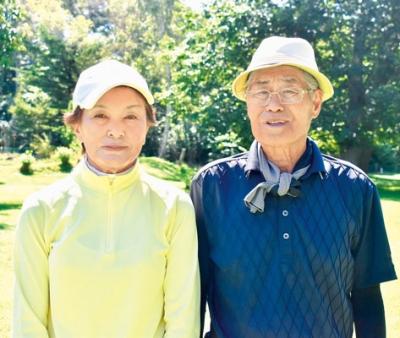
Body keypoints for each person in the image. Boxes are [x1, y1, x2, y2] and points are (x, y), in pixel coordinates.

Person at [190, 36, 397, 338]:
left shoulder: (356, 189)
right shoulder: (211, 187)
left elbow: (367, 298)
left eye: (289, 91)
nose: (273, 105)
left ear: (315, 103)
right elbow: (194, 295)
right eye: (261, 92)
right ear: (248, 103)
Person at [13, 59, 200, 337]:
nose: (116, 130)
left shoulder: (174, 207)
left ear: (147, 126)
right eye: (100, 116)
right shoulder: (40, 210)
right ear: (78, 127)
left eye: (131, 116)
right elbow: (28, 324)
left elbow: (182, 321)